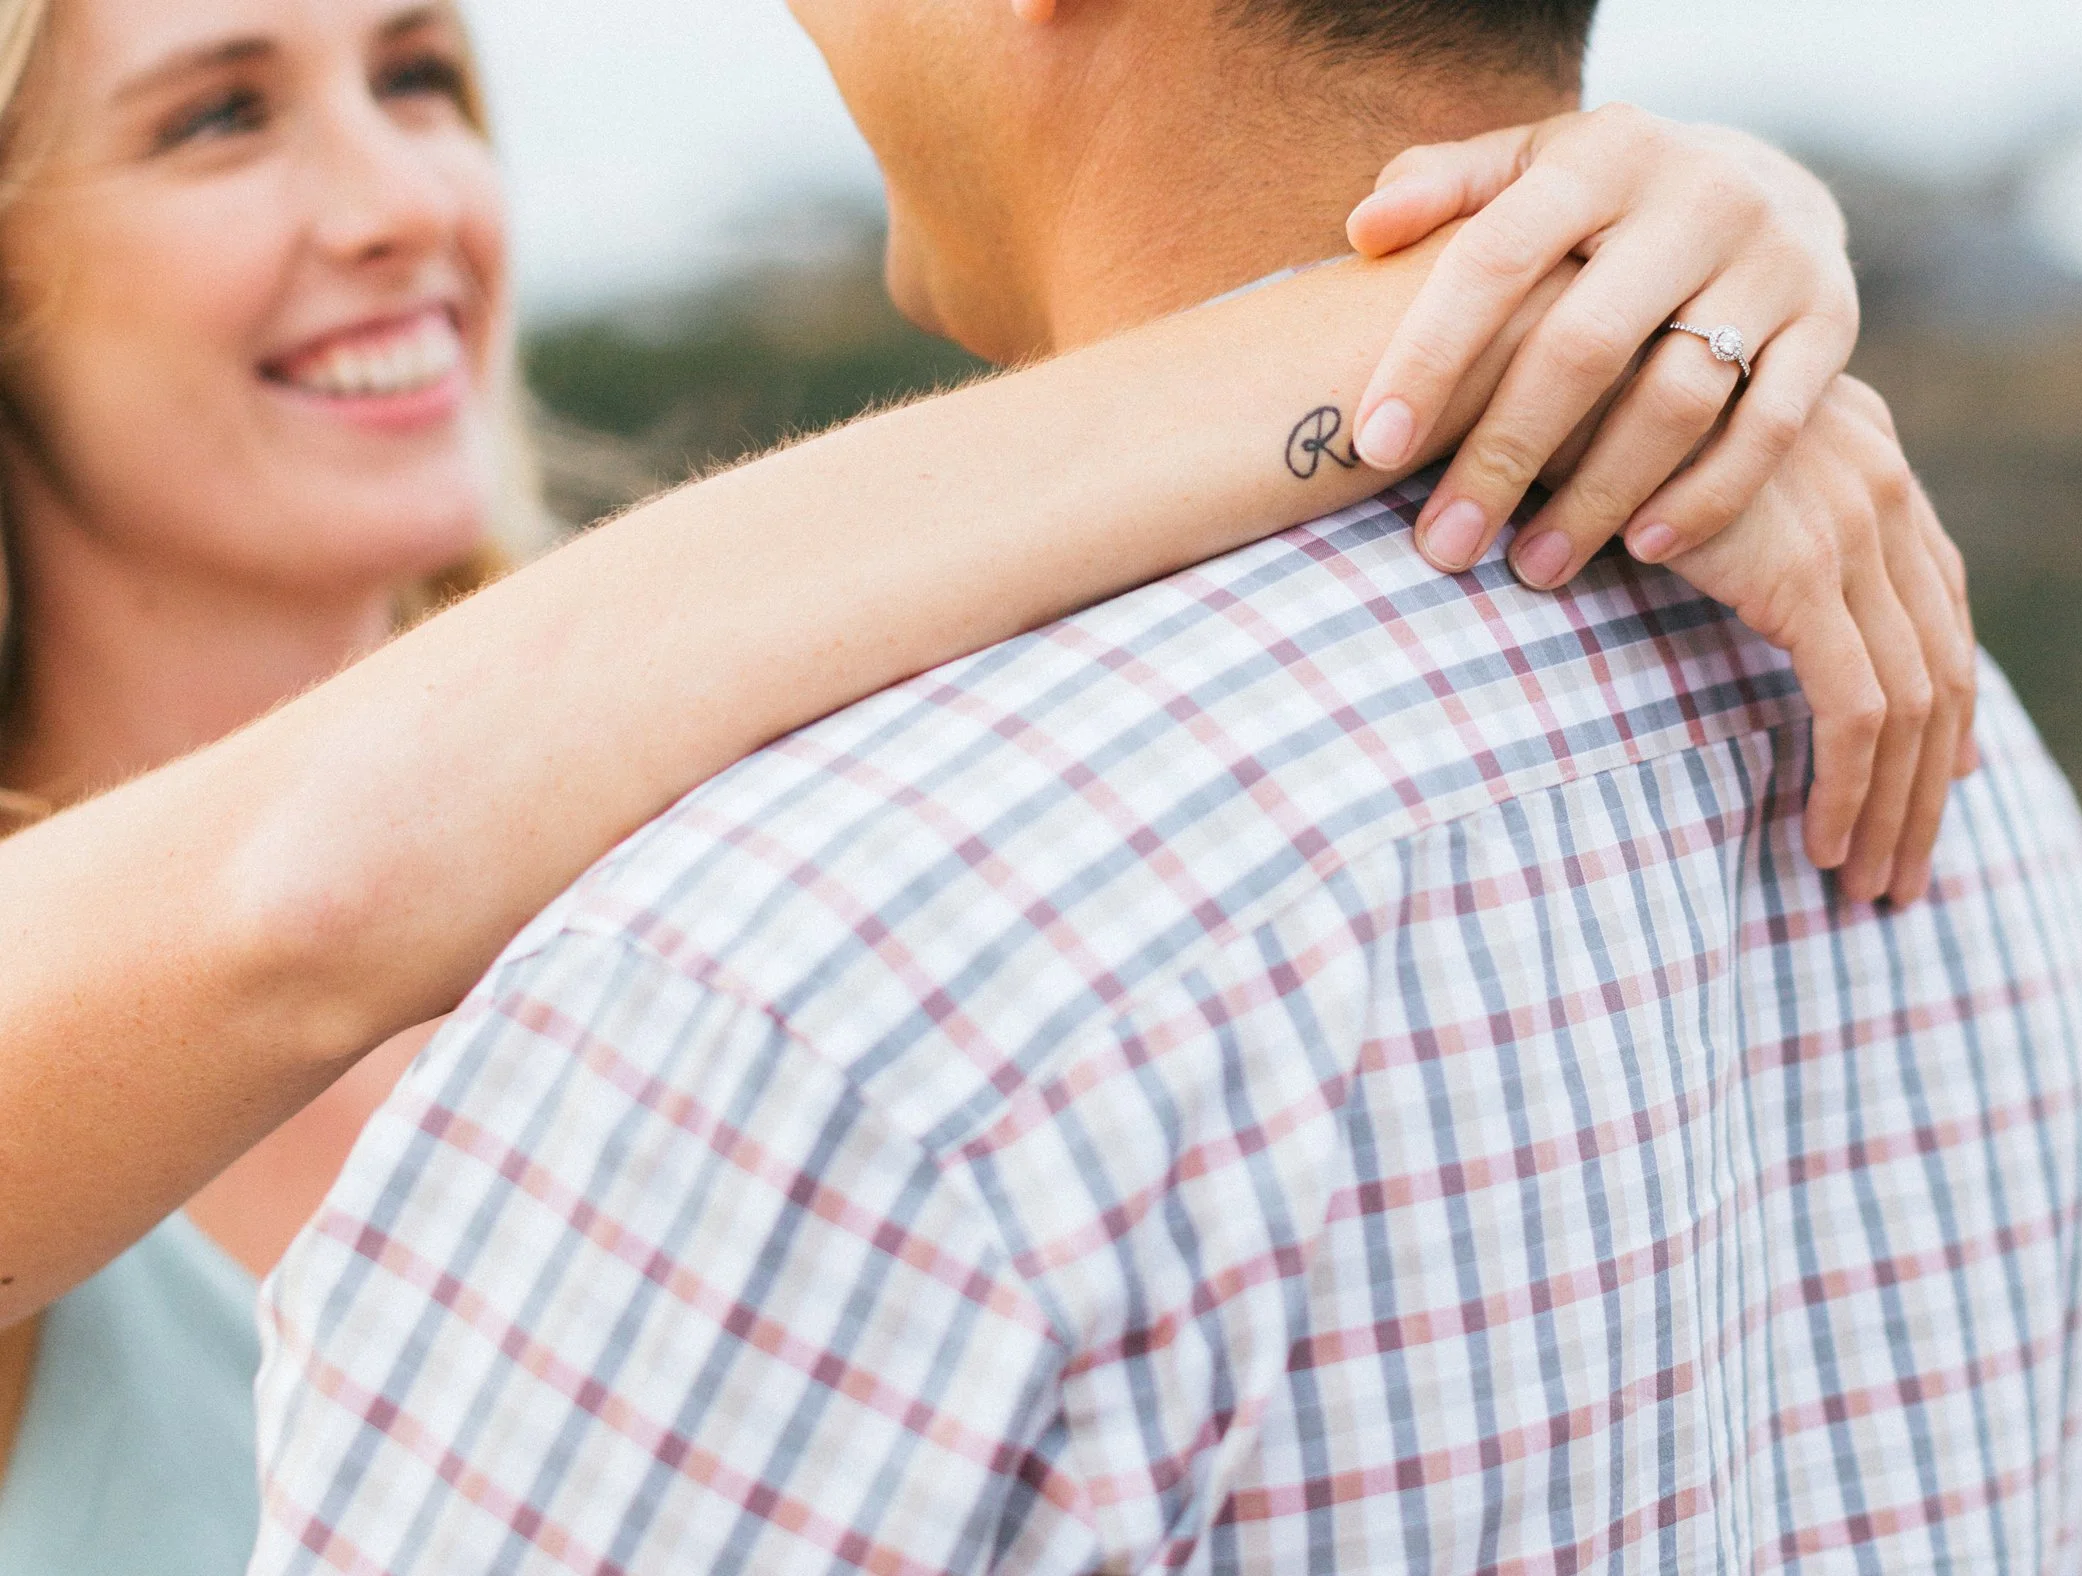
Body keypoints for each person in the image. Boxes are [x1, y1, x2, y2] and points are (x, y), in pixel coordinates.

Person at [0, 0, 1971, 1568]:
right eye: (214, 119)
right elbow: (307, 885)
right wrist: (1442, 317)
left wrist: (1625, 264)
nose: (400, 202)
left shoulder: (755, 837)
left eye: (421, 75)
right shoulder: (703, 978)